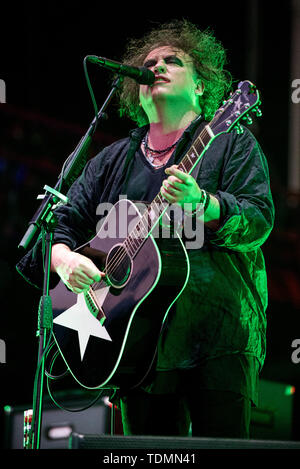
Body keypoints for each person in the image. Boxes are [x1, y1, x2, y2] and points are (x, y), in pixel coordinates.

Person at [17, 20, 275, 439]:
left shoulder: (230, 141)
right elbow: (57, 226)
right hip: (134, 346)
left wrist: (203, 204)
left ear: (202, 87)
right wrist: (64, 259)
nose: (157, 66)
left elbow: (259, 219)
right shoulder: (111, 161)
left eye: (173, 61)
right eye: (149, 62)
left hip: (217, 340)